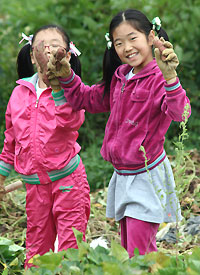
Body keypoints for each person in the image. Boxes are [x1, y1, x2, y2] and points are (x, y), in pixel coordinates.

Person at [47, 9, 191, 257]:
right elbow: (88, 99)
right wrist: (67, 76)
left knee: (138, 252)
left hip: (146, 175)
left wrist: (170, 77)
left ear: (151, 36)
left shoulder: (159, 77)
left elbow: (181, 113)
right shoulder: (121, 76)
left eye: (133, 38)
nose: (126, 47)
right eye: (119, 43)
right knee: (129, 249)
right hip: (123, 175)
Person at [0, 24, 90, 268]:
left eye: (55, 45)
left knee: (71, 249)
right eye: (42, 45)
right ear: (32, 55)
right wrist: (2, 175)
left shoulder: (74, 92)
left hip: (68, 182)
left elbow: (71, 122)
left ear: (67, 55)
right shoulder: (20, 93)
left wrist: (59, 88)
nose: (48, 50)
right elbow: (11, 138)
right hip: (35, 187)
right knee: (37, 250)